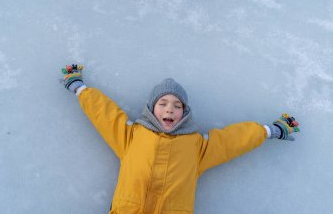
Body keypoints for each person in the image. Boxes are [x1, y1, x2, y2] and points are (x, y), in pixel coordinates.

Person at [61, 64, 300, 214]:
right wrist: (80, 88)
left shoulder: (197, 146)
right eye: (162, 104)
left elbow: (233, 140)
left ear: (184, 112)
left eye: (177, 106)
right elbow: (105, 115)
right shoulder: (132, 135)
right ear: (151, 109)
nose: (169, 110)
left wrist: (270, 130)